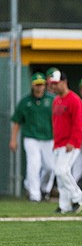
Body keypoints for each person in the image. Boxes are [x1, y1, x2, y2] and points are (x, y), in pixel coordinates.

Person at [9, 72, 55, 202]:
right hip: (31, 137)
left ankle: (44, 189)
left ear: (45, 85)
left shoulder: (52, 100)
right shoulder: (25, 101)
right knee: (33, 165)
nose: (39, 87)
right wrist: (13, 139)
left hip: (49, 137)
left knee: (50, 167)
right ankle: (35, 195)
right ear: (32, 85)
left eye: (41, 84)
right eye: (37, 85)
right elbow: (17, 121)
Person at [48, 70, 82, 214]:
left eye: (55, 84)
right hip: (58, 143)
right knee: (60, 174)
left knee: (61, 170)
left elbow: (78, 123)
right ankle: (64, 205)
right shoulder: (56, 100)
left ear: (64, 82)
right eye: (52, 84)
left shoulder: (74, 100)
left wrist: (72, 141)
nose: (53, 87)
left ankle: (78, 196)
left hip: (71, 143)